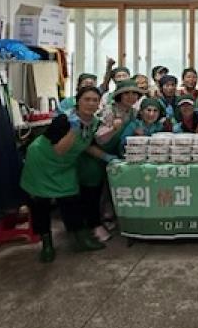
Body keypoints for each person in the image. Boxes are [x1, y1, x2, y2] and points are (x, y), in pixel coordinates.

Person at [20, 86, 110, 262]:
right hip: (42, 162)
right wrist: (73, 130)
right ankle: (46, 244)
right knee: (41, 203)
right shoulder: (64, 120)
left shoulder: (94, 122)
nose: (91, 103)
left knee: (71, 199)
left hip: (65, 166)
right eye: (87, 99)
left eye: (95, 100)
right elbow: (60, 150)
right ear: (78, 101)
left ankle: (80, 240)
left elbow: (87, 145)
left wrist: (107, 157)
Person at [96, 80, 142, 156]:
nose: (131, 97)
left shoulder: (134, 112)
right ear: (119, 95)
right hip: (99, 154)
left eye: (134, 93)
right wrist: (113, 129)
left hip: (118, 153)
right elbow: (99, 139)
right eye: (126, 93)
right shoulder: (109, 110)